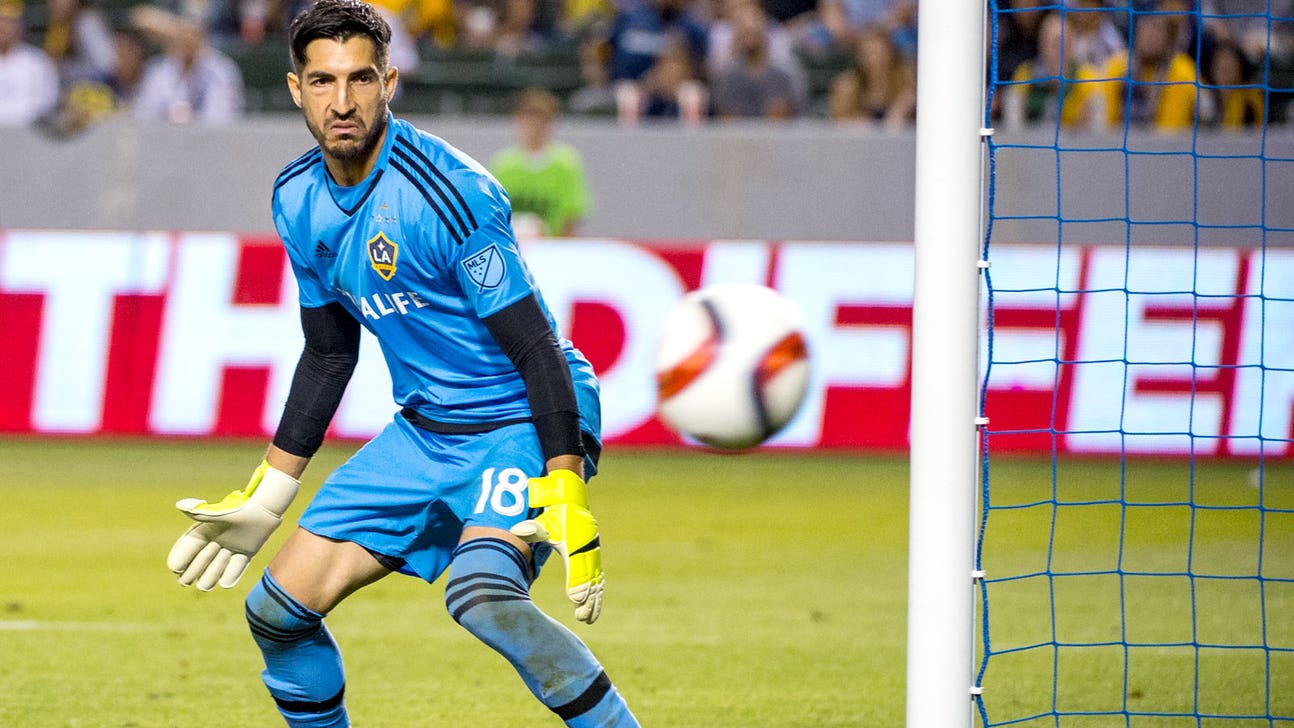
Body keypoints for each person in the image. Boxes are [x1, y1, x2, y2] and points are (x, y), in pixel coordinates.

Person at [163, 1, 639, 726]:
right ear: (296, 89)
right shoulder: (297, 198)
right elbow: (329, 353)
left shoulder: (449, 192)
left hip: (519, 417)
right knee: (277, 613)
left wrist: (565, 485)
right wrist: (269, 493)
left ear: (390, 82)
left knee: (481, 598)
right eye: (322, 81)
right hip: (426, 432)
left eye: (360, 79)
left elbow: (534, 347)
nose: (342, 100)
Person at [489, 88, 592, 238]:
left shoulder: (566, 164)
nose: (533, 127)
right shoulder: (503, 164)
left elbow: (572, 217)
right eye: (528, 119)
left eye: (540, 120)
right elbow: (494, 213)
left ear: (550, 123)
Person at [130, 6, 245, 124]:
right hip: (164, 137)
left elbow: (221, 118)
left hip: (209, 139)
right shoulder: (158, 69)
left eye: (193, 33)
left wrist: (189, 118)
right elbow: (145, 113)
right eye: (183, 32)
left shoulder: (222, 69)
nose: (187, 39)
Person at [1001, 11, 1105, 132]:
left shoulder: (1088, 78)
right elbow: (1012, 126)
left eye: (1064, 43)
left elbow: (1098, 130)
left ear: (1072, 45)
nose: (1059, 51)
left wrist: (1083, 126)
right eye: (1054, 44)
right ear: (1041, 44)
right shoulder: (1025, 75)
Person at [1101, 11, 1198, 131]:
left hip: (1168, 146)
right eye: (1145, 30)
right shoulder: (1117, 66)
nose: (1150, 37)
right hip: (1119, 142)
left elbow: (1172, 129)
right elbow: (1106, 122)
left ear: (1169, 39)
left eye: (1157, 31)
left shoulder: (1181, 70)